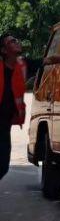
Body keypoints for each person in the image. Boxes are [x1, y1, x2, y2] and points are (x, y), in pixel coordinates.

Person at [0, 33, 26, 181]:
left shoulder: (22, 65)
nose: (16, 42)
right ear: (4, 50)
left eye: (16, 39)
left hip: (5, 124)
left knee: (3, 166)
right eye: (12, 41)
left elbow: (49, 60)